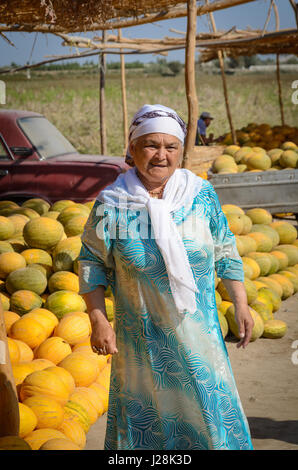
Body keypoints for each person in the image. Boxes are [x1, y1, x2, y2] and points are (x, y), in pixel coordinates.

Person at [78, 104, 254, 450]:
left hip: (200, 343)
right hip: (142, 347)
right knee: (150, 432)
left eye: (170, 147)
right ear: (131, 148)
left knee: (210, 423)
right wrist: (98, 320)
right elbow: (91, 263)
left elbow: (225, 250)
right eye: (150, 145)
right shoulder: (112, 204)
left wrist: (241, 303)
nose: (161, 155)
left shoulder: (201, 196)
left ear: (180, 151)